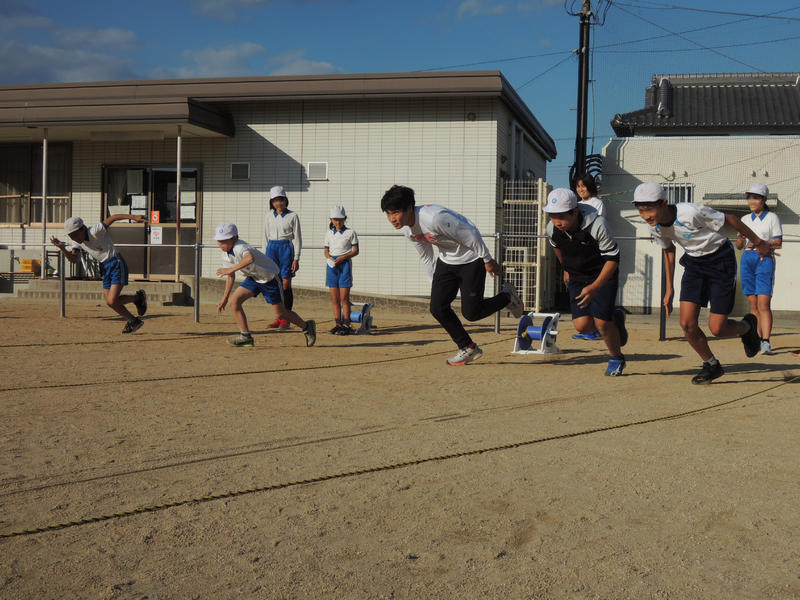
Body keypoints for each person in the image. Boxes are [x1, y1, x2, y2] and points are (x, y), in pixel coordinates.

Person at [633, 182, 768, 384]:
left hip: (720, 261)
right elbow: (668, 250)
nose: (645, 216)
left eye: (649, 209)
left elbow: (730, 218)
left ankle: (747, 327)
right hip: (694, 265)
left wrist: (759, 242)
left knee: (717, 329)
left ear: (663, 203)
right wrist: (669, 288)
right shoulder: (656, 227)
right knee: (687, 324)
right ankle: (711, 365)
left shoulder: (690, 212)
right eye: (641, 210)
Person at [381, 184, 524, 365]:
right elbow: (426, 256)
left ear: (409, 208)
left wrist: (487, 260)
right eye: (388, 214)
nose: (392, 219)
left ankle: (507, 296)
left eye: (395, 212)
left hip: (471, 258)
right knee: (437, 307)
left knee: (472, 313)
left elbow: (470, 233)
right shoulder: (408, 230)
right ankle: (467, 347)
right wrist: (434, 283)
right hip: (447, 260)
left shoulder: (434, 218)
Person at [544, 188, 628, 376]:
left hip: (603, 275)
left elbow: (613, 260)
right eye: (552, 215)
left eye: (561, 216)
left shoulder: (598, 225)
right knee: (582, 326)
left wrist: (596, 286)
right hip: (577, 277)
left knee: (602, 323)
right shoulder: (553, 229)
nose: (557, 221)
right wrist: (565, 269)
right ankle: (616, 318)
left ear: (575, 212)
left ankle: (616, 358)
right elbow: (557, 248)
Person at [215, 222, 315, 348]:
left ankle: (307, 327)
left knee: (281, 314)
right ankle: (245, 336)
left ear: (235, 238)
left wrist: (230, 269)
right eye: (219, 241)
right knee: (234, 302)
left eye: (224, 240)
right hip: (253, 277)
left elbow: (249, 259)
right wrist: (224, 298)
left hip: (269, 278)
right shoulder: (225, 255)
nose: (221, 244)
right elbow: (230, 276)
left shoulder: (240, 247)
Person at [50, 214, 147, 333]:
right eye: (71, 236)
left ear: (83, 228)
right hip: (105, 266)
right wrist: (63, 248)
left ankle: (134, 312)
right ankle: (136, 305)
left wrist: (134, 218)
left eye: (75, 234)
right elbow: (74, 259)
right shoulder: (77, 243)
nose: (74, 238)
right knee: (110, 302)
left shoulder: (95, 231)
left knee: (112, 301)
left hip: (116, 263)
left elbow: (114, 217)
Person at [734, 183, 782, 355]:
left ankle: (766, 342)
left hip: (764, 259)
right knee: (753, 305)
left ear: (763, 199)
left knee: (763, 304)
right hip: (747, 258)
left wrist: (760, 243)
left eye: (755, 197)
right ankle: (757, 339)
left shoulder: (772, 218)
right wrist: (740, 238)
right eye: (749, 197)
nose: (751, 201)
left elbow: (778, 243)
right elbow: (739, 245)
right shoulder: (745, 219)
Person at [572, 173, 605, 341]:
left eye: (583, 186)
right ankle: (588, 328)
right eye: (578, 186)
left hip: (593, 249)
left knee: (593, 289)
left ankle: (597, 328)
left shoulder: (597, 203)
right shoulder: (576, 204)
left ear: (590, 187)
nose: (580, 189)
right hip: (578, 251)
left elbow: (596, 224)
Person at [264, 185, 302, 329]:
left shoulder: (293, 216)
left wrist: (296, 257)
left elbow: (297, 238)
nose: (278, 203)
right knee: (275, 284)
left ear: (285, 200)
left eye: (281, 200)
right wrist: (264, 256)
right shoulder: (268, 216)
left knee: (286, 285)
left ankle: (287, 318)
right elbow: (265, 237)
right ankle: (279, 317)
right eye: (275, 201)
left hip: (286, 248)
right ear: (271, 202)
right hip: (271, 248)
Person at [324, 205, 360, 335]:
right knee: (335, 299)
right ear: (331, 219)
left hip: (344, 265)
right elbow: (326, 251)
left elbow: (356, 251)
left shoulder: (350, 232)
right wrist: (329, 258)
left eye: (340, 219)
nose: (337, 222)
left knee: (344, 298)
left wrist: (343, 257)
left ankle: (346, 324)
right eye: (335, 219)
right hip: (332, 266)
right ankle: (337, 324)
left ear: (345, 219)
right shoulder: (328, 233)